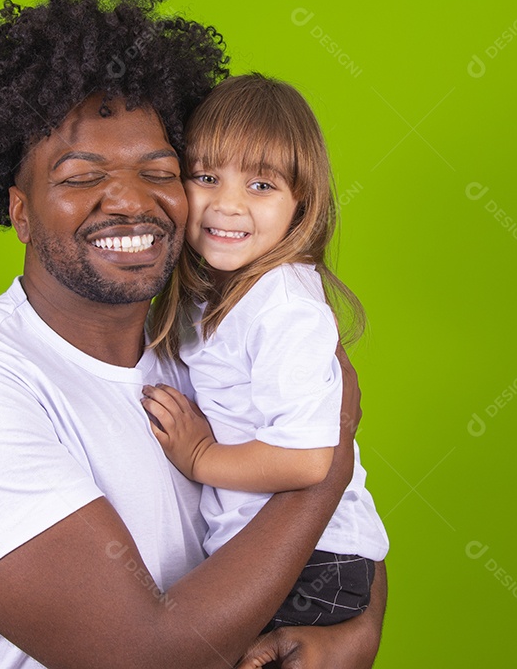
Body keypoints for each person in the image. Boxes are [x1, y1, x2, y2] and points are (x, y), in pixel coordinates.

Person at [0, 0, 386, 669]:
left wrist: (354, 633)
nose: (129, 201)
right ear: (19, 211)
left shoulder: (210, 336)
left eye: (160, 171)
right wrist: (328, 457)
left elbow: (339, 541)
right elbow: (142, 656)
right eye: (82, 176)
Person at [143, 74, 388, 631]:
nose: (227, 206)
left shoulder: (284, 306)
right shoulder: (215, 293)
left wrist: (199, 454)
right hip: (269, 552)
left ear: (302, 203)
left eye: (261, 186)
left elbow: (306, 460)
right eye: (206, 177)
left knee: (166, 642)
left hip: (315, 562)